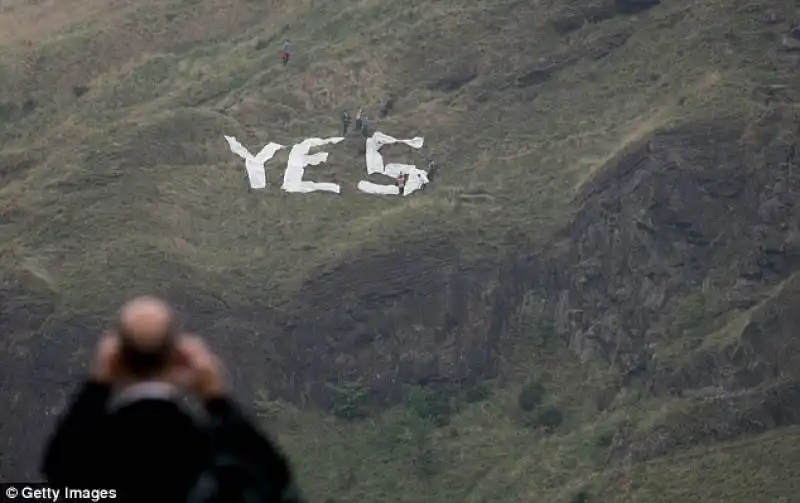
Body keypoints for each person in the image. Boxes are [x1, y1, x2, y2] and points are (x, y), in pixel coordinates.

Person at [41, 296, 304, 503]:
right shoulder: (209, 450)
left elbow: (57, 468)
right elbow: (272, 483)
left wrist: (96, 387)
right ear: (178, 356)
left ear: (115, 359)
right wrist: (217, 399)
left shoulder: (90, 456)